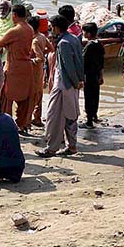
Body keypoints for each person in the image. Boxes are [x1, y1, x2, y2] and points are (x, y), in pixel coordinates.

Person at [37, 15, 84, 157]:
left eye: (52, 27)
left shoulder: (63, 43)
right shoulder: (74, 38)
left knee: (54, 116)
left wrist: (75, 81)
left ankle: (52, 148)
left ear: (57, 27)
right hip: (71, 84)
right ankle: (72, 146)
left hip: (64, 84)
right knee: (70, 115)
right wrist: (79, 80)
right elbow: (79, 61)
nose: (51, 29)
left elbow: (68, 66)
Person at [0, 4, 35, 129]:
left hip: (13, 66)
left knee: (6, 98)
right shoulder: (30, 29)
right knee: (24, 98)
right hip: (26, 66)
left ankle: (6, 125)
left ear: (14, 15)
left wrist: (9, 46)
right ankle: (22, 124)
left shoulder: (14, 30)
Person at [28, 15, 51, 129]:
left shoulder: (35, 41)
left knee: (32, 96)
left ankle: (29, 120)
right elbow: (51, 48)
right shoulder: (42, 36)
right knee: (39, 95)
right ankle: (37, 118)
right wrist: (43, 51)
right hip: (41, 70)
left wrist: (30, 60)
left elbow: (40, 58)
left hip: (34, 71)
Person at [81, 22, 104, 128]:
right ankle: (94, 115)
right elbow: (102, 62)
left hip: (88, 75)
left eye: (84, 31)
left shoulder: (89, 45)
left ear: (89, 34)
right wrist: (101, 76)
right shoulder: (99, 44)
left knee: (88, 97)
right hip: (96, 74)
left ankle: (89, 121)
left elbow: (83, 61)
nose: (83, 33)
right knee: (95, 96)